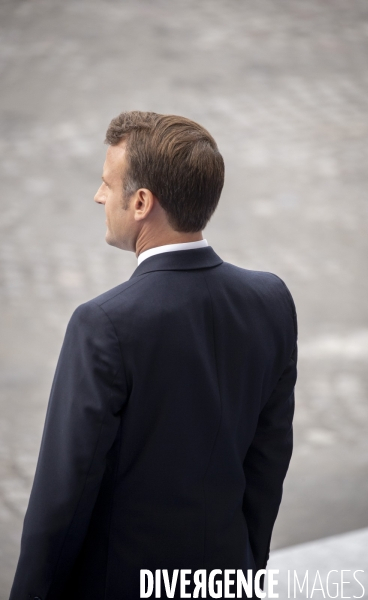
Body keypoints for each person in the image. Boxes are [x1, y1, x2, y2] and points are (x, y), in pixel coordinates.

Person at [9, 111, 297, 600]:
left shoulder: (103, 324)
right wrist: (244, 570)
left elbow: (64, 496)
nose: (99, 197)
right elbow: (268, 461)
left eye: (106, 184)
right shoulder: (270, 300)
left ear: (141, 202)